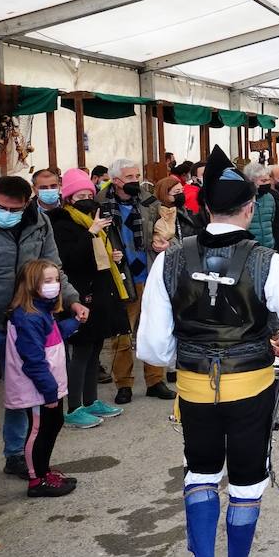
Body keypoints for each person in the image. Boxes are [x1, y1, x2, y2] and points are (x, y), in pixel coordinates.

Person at [139, 147, 279, 557]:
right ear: (249, 208)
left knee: (200, 473)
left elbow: (152, 343)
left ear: (204, 208)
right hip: (251, 386)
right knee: (245, 480)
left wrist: (179, 359)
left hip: (196, 388)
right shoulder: (268, 261)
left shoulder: (171, 260)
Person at [0, 175, 88, 478]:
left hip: (24, 323)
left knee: (24, 395)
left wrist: (71, 299)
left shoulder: (40, 223)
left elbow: (53, 268)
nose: (7, 213)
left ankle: (18, 455)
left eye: (15, 208)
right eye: (1, 206)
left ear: (27, 202)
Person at [49, 169, 131, 429]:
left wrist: (113, 257)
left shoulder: (91, 219)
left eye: (88, 194)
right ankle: (74, 407)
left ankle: (91, 400)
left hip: (101, 291)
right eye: (79, 195)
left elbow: (99, 254)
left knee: (96, 350)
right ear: (69, 198)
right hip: (80, 293)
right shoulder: (62, 223)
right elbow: (70, 258)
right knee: (82, 351)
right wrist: (92, 233)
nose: (85, 198)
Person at [5, 260, 83, 497]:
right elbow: (34, 359)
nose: (55, 286)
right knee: (39, 429)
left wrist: (74, 322)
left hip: (48, 385)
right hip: (38, 388)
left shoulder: (42, 311)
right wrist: (49, 390)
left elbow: (53, 337)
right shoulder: (28, 317)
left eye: (56, 280)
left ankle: (42, 469)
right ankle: (36, 480)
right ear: (31, 285)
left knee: (53, 424)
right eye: (47, 281)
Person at [100, 160, 173, 405]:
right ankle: (124, 384)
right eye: (129, 176)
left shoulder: (149, 201)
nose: (135, 179)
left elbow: (165, 228)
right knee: (122, 333)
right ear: (116, 180)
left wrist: (163, 241)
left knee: (153, 328)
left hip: (150, 273)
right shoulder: (101, 205)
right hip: (121, 276)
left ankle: (155, 380)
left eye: (137, 175)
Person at [242, 163, 276, 250]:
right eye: (263, 181)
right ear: (251, 181)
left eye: (268, 180)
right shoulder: (243, 199)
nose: (268, 183)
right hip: (249, 248)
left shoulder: (269, 197)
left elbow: (271, 220)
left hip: (268, 247)